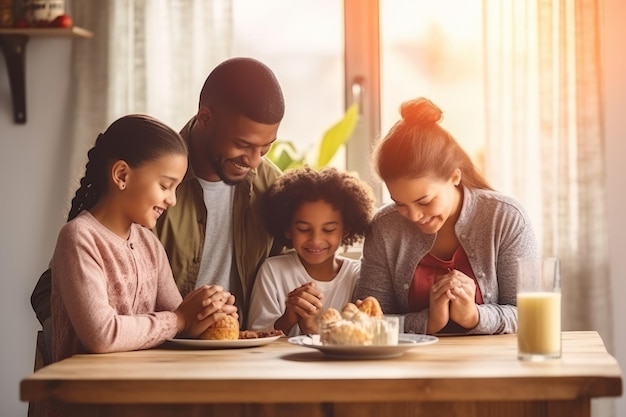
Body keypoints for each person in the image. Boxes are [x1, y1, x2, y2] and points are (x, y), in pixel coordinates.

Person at [31, 57, 285, 333]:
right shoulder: (141, 184)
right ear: (205, 118)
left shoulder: (273, 188)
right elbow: (50, 290)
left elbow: (295, 268)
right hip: (147, 360)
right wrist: (85, 336)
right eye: (242, 144)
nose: (254, 161)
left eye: (265, 148)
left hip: (239, 353)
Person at [50, 114, 237, 365]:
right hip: (87, 399)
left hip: (141, 391)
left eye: (175, 188)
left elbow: (181, 326)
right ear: (122, 175)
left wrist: (209, 310)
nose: (172, 200)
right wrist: (180, 319)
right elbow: (102, 335)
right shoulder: (79, 238)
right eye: (165, 186)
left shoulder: (150, 245)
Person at [352, 97, 539, 335]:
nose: (414, 215)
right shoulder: (385, 226)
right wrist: (427, 322)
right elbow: (369, 322)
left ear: (454, 177)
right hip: (406, 367)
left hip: (494, 364)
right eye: (399, 204)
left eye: (424, 201)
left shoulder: (506, 219)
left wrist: (475, 316)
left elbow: (530, 315)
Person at [248, 166, 376, 336]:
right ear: (287, 228)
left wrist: (314, 330)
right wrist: (288, 318)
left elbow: (365, 337)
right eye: (303, 229)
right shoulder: (272, 271)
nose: (316, 240)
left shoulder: (358, 275)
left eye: (329, 230)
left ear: (346, 229)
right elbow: (254, 337)